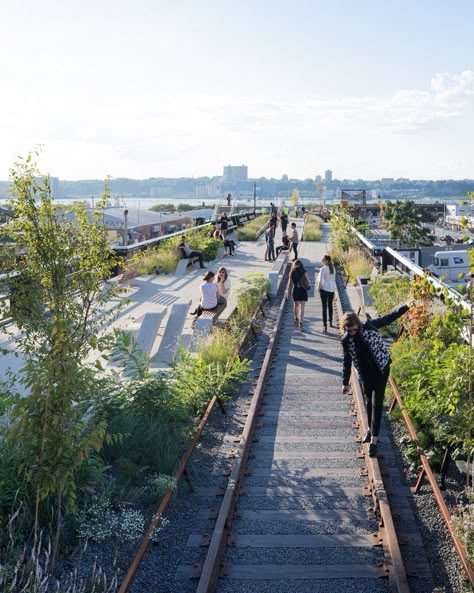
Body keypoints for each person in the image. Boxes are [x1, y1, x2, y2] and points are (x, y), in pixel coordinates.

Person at [341, 305, 409, 457]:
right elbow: (347, 361)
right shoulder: (346, 340)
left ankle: (374, 441)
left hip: (381, 370)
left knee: (377, 403)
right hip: (365, 373)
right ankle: (370, 430)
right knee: (367, 402)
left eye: (354, 330)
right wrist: (345, 382)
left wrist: (404, 307)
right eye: (349, 330)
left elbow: (387, 318)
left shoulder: (369, 326)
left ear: (358, 325)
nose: (352, 333)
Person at [286, 259, 310, 332]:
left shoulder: (292, 272)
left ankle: (296, 318)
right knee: (302, 307)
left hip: (296, 290)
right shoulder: (304, 271)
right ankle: (301, 323)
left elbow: (290, 284)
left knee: (296, 305)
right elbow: (308, 281)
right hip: (303, 290)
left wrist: (288, 293)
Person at [317, 254, 336, 333]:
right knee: (330, 305)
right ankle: (330, 321)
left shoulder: (323, 269)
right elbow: (333, 280)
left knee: (324, 307)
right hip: (332, 289)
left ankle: (325, 325)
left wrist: (319, 288)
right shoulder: (333, 269)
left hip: (324, 289)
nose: (321, 260)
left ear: (326, 261)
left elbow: (321, 281)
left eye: (323, 259)